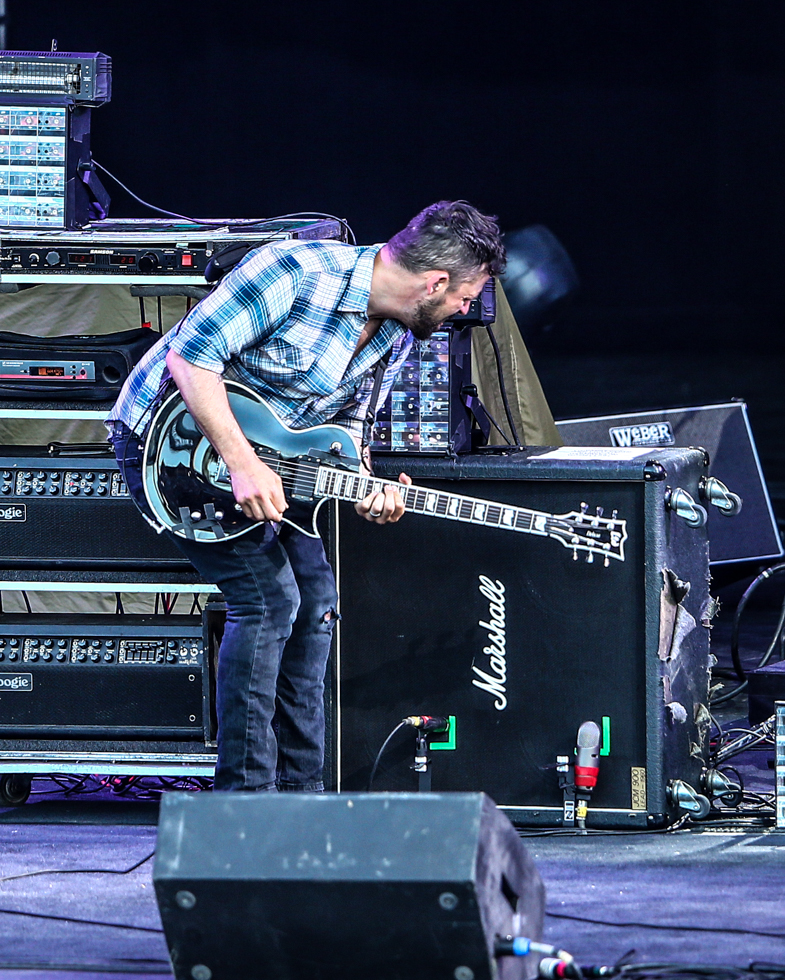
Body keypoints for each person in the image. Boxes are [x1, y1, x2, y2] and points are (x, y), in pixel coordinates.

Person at [107, 200, 503, 792]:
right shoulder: (297, 272)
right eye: (465, 299)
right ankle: (247, 800)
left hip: (276, 461)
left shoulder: (395, 335)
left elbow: (347, 427)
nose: (464, 312)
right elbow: (189, 361)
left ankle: (301, 792)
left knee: (317, 604)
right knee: (269, 603)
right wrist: (242, 464)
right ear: (435, 283)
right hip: (170, 443)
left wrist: (366, 483)